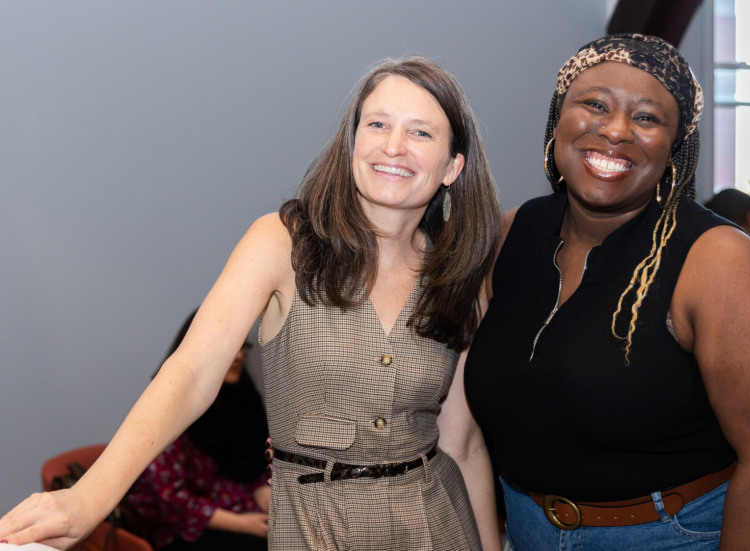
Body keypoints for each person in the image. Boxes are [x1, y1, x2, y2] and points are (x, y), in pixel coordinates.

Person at [0, 56, 502, 551]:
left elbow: (461, 441)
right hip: (313, 528)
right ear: (353, 142)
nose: (394, 146)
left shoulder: (457, 275)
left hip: (436, 523)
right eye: (377, 123)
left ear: (452, 166)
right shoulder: (283, 244)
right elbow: (192, 373)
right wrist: (88, 498)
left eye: (421, 133)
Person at [464, 34, 750, 550]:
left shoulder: (718, 260)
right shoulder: (509, 235)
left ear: (675, 148)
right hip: (530, 529)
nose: (615, 130)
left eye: (647, 117)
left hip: (684, 534)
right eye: (594, 105)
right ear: (556, 120)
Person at [123, 309, 270, 550]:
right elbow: (172, 500)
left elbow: (254, 464)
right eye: (230, 347)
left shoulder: (242, 398)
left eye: (243, 346)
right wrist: (243, 525)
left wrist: (262, 493)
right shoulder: (168, 411)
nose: (239, 356)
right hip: (179, 527)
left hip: (235, 506)